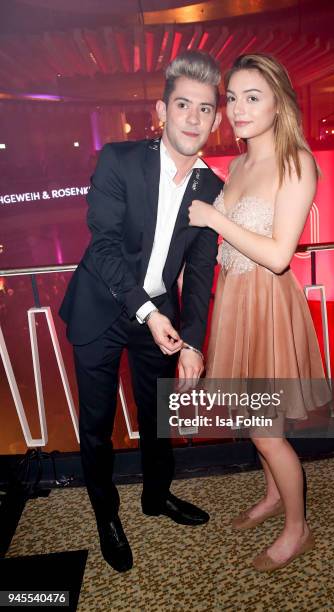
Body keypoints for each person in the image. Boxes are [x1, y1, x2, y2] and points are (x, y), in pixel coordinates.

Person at [59, 50, 223, 572]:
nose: (193, 118)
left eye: (204, 108)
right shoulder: (119, 159)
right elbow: (103, 246)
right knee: (97, 424)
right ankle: (107, 514)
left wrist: (193, 341)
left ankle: (156, 497)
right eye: (183, 105)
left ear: (216, 119)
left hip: (161, 317)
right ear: (162, 110)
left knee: (158, 417)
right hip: (102, 310)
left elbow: (199, 272)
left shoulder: (212, 188)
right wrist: (148, 314)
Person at [188, 53, 331, 572]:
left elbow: (277, 255)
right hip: (234, 300)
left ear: (279, 103)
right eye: (233, 98)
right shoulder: (239, 163)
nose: (239, 109)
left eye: (253, 97)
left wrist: (212, 219)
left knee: (266, 430)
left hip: (267, 304)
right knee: (254, 419)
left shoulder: (297, 162)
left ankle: (298, 529)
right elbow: (230, 247)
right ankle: (273, 497)